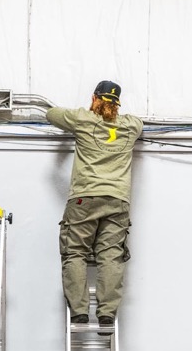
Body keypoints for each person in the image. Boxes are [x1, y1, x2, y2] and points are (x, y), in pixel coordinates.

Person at [46, 80, 144, 331]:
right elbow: (139, 123)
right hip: (118, 200)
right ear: (118, 104)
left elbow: (51, 114)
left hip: (84, 198)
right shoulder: (131, 126)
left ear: (94, 98)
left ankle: (79, 312)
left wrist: (86, 114)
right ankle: (107, 313)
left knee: (75, 252)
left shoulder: (83, 120)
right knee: (111, 256)